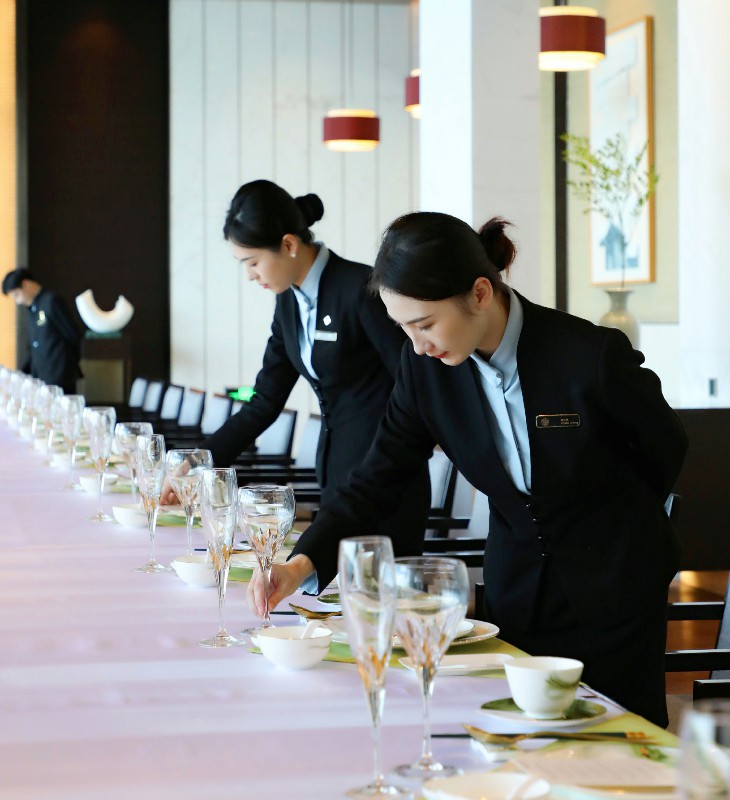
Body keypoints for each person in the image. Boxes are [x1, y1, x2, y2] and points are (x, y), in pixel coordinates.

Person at [248, 211, 688, 728]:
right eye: (403, 328)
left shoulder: (587, 355)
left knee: (622, 743)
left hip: (616, 589)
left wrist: (611, 524)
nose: (417, 344)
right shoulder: (425, 372)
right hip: (517, 592)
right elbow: (377, 478)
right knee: (519, 739)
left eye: (425, 324)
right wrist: (300, 563)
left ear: (480, 293)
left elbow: (665, 448)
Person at [160, 179, 430, 556]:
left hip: (386, 482)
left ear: (288, 245)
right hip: (337, 481)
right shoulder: (289, 303)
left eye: (252, 262)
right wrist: (199, 461)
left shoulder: (360, 289)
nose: (250, 275)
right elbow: (265, 400)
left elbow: (418, 382)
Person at [2, 268, 83, 394]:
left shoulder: (51, 301)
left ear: (26, 284)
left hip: (59, 375)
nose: (18, 301)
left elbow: (72, 335)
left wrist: (65, 364)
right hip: (41, 376)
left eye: (17, 295)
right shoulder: (32, 309)